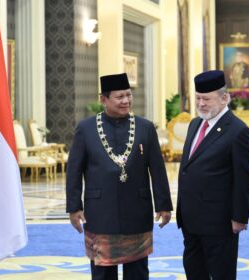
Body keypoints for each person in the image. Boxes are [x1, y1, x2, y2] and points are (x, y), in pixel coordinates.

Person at [66, 73, 173, 280]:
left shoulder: (145, 127)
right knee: (103, 273)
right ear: (103, 99)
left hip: (137, 211)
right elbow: (74, 170)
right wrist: (74, 207)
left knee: (138, 273)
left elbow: (157, 169)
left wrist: (163, 204)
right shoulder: (86, 129)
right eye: (119, 97)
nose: (126, 101)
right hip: (100, 213)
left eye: (128, 95)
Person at [177, 70, 249, 280]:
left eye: (207, 99)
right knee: (194, 272)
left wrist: (239, 217)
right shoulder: (195, 124)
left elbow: (243, 179)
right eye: (198, 98)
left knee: (221, 274)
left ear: (224, 98)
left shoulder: (238, 131)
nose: (201, 104)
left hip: (218, 223)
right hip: (191, 220)